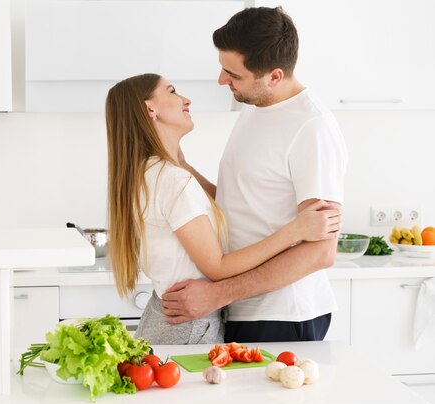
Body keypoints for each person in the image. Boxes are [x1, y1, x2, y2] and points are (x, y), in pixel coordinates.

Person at [105, 73, 341, 345]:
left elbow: (223, 209)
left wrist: (190, 170)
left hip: (169, 320)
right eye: (172, 91)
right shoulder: (173, 180)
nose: (185, 99)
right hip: (188, 326)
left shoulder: (152, 173)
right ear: (150, 109)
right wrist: (295, 230)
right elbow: (217, 267)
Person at [160, 6, 349, 343]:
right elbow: (240, 203)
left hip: (283, 315)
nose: (222, 80)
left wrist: (218, 293)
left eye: (233, 74)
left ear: (273, 76)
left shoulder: (312, 128)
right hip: (242, 306)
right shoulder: (257, 105)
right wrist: (185, 168)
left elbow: (321, 251)